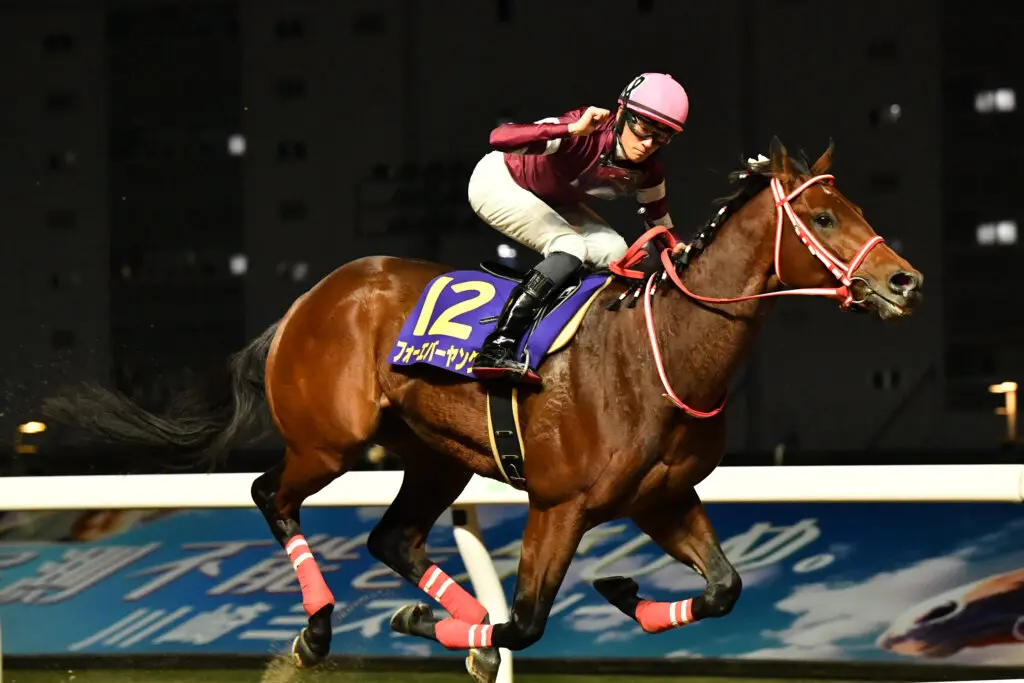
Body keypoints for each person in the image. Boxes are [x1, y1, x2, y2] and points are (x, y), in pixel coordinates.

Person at [467, 72, 689, 384]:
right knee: (570, 247)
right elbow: (499, 138)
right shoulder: (585, 130)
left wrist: (678, 251)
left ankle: (576, 335)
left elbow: (660, 222)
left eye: (662, 137)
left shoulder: (650, 172)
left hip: (553, 198)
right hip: (500, 180)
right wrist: (571, 129)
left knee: (617, 252)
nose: (649, 144)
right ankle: (497, 346)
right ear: (622, 112)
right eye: (644, 129)